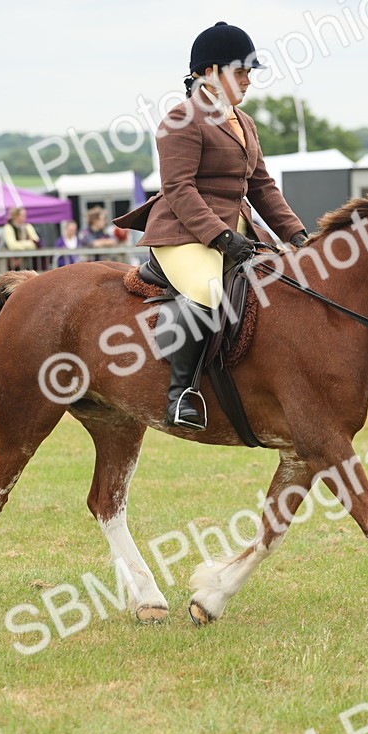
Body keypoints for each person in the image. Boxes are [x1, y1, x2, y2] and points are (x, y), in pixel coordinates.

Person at [114, 21, 308, 430]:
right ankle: (181, 394)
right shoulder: (181, 120)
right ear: (208, 73)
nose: (247, 81)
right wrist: (219, 235)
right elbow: (179, 189)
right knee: (206, 292)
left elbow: (262, 186)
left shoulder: (244, 122)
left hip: (235, 234)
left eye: (249, 74)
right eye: (240, 72)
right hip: (185, 234)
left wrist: (297, 234)